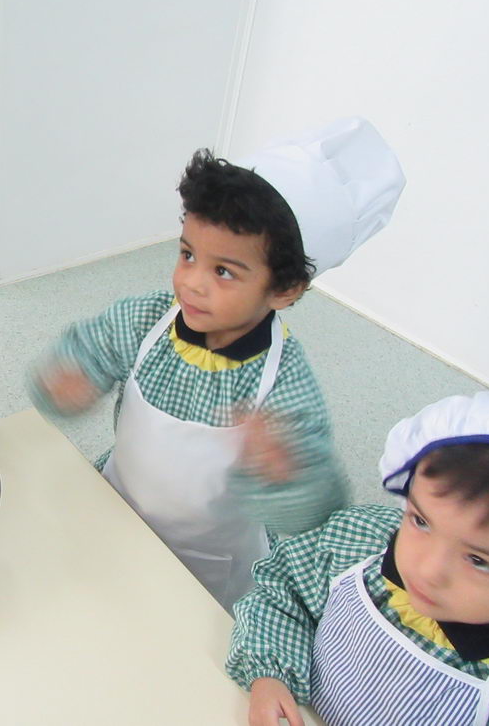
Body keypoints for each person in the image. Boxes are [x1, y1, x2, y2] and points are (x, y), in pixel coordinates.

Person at [28, 117, 405, 611]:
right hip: (117, 508)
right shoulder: (144, 320)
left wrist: (284, 472)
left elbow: (315, 509)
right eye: (188, 255)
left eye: (224, 271)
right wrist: (66, 381)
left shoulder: (283, 383)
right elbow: (86, 352)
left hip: (209, 565)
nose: (192, 283)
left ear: (285, 290)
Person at [227, 388, 489, 726]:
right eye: (421, 521)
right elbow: (281, 594)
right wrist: (270, 675)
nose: (427, 570)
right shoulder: (358, 546)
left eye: (479, 560)